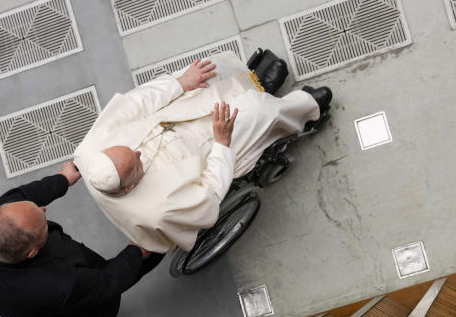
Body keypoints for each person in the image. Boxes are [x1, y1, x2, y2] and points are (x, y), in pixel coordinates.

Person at [73, 51, 331, 253]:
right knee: (256, 112)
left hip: (172, 120)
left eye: (133, 151)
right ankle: (305, 109)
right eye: (136, 163)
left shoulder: (91, 149)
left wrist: (180, 84)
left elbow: (134, 104)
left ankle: (255, 82)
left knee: (206, 76)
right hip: (208, 155)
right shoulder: (161, 209)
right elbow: (211, 192)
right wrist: (222, 142)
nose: (139, 154)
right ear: (128, 189)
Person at [0, 162, 163, 317]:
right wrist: (135, 252)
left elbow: (18, 198)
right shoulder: (59, 286)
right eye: (43, 223)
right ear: (33, 252)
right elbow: (107, 282)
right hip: (73, 311)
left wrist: (62, 180)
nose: (43, 208)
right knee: (100, 313)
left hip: (16, 293)